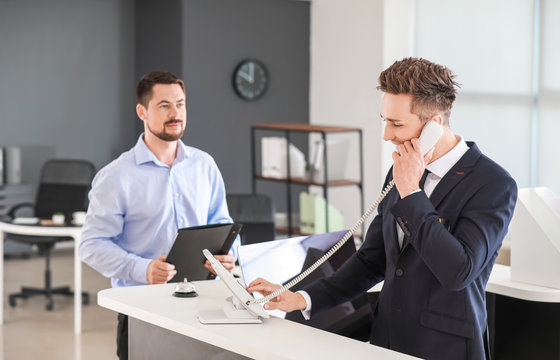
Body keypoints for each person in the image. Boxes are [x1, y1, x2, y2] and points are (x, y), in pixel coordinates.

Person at [247, 58, 518, 360]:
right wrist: (301, 298)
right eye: (385, 121)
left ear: (434, 125)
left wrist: (411, 193)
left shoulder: (493, 184)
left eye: (397, 124)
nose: (386, 135)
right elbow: (372, 260)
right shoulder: (400, 172)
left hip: (445, 348)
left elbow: (458, 271)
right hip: (387, 342)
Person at [79, 71, 238, 360]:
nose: (175, 113)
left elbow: (222, 222)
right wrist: (143, 269)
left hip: (202, 304)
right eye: (164, 105)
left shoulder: (204, 165)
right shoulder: (117, 176)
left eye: (181, 104)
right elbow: (91, 244)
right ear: (142, 111)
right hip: (142, 309)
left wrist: (229, 254)